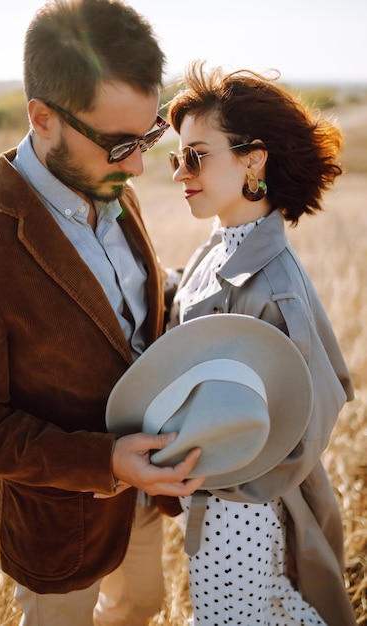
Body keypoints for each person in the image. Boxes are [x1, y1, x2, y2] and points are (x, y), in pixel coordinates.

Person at [0, 2, 204, 625]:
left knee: (141, 606)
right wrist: (104, 463)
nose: (140, 165)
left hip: (148, 493)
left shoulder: (113, 181)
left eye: (148, 138)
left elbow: (126, 318)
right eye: (121, 144)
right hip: (59, 525)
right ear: (42, 117)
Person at [166, 61, 357, 626]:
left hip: (240, 515)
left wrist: (229, 483)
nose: (180, 173)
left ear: (253, 159)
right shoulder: (221, 243)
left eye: (197, 155)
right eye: (178, 157)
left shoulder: (274, 283)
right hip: (212, 504)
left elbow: (316, 412)